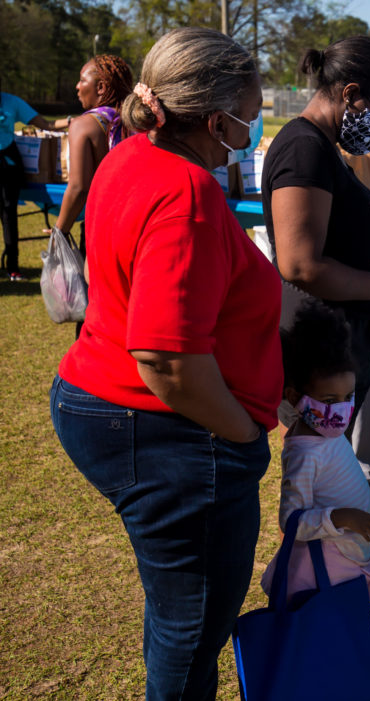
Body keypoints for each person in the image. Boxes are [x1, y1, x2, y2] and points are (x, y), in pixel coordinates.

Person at [49, 27, 281, 699]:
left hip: (115, 405)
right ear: (218, 118)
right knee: (193, 622)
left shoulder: (132, 158)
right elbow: (165, 357)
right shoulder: (186, 194)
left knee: (179, 605)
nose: (258, 117)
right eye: (254, 104)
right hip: (161, 428)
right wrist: (241, 434)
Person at [262, 35, 370, 423]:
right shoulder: (303, 149)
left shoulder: (323, 147)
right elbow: (300, 265)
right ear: (351, 93)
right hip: (322, 344)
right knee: (319, 469)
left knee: (330, 466)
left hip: (341, 339)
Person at [261, 300, 370, 607]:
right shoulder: (304, 453)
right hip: (328, 557)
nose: (341, 408)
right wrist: (341, 517)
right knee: (330, 616)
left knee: (341, 615)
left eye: (348, 397)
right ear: (294, 397)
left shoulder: (324, 430)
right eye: (329, 399)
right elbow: (291, 520)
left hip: (343, 548)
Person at [53, 55, 134, 256]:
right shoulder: (140, 122)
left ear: (101, 88)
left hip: (103, 227)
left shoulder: (84, 125)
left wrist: (60, 233)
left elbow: (79, 188)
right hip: (141, 223)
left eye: (82, 80)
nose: (77, 87)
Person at [0, 80, 62, 280]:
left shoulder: (12, 102)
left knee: (8, 213)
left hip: (8, 164)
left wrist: (72, 121)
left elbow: (45, 124)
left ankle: (13, 268)